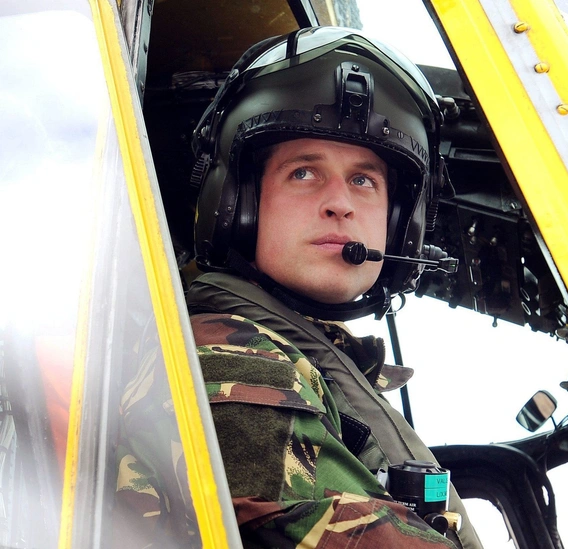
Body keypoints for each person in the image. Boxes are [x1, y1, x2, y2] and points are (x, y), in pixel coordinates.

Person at [116, 26, 482, 549]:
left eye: (364, 180)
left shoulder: (303, 356)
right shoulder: (230, 358)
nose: (341, 204)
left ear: (401, 224)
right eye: (305, 173)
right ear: (239, 205)